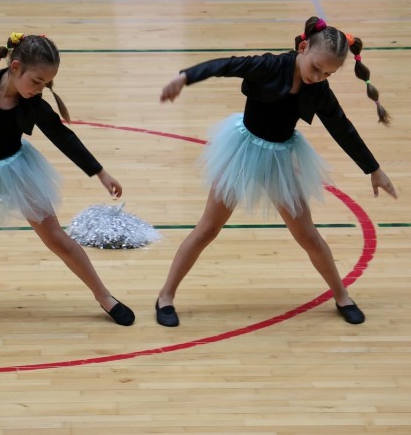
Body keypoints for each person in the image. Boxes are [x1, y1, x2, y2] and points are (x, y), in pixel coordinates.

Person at [155, 16, 397, 327]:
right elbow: (226, 65)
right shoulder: (270, 66)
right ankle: (165, 296)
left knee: (307, 235)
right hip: (240, 152)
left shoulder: (319, 89)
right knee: (208, 229)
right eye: (316, 68)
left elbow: (342, 127)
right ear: (303, 47)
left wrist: (373, 169)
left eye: (327, 74)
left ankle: (342, 296)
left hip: (281, 159)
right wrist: (184, 77)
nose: (318, 77)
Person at [0, 32, 135, 326]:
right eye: (36, 81)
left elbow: (64, 137)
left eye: (46, 84)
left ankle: (105, 297)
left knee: (56, 239)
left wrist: (100, 172)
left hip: (17, 170)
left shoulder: (33, 105)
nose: (40, 89)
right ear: (15, 67)